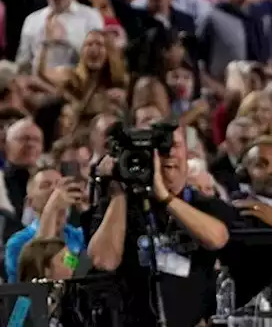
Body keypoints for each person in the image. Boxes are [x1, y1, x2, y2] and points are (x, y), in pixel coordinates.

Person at [85, 126, 233, 327]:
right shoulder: (116, 208)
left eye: (175, 146)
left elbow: (217, 238)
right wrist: (119, 194)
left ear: (186, 154)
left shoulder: (204, 204)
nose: (169, 153)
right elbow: (104, 261)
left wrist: (164, 197)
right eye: (160, 148)